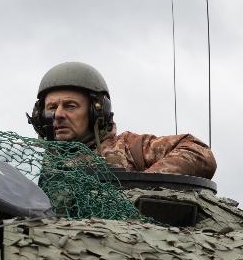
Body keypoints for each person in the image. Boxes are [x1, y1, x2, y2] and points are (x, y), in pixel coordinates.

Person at [26, 62, 216, 178]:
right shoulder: (30, 161)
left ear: (96, 112)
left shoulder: (129, 149)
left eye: (70, 106)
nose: (58, 114)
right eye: (51, 107)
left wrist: (142, 188)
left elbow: (198, 151)